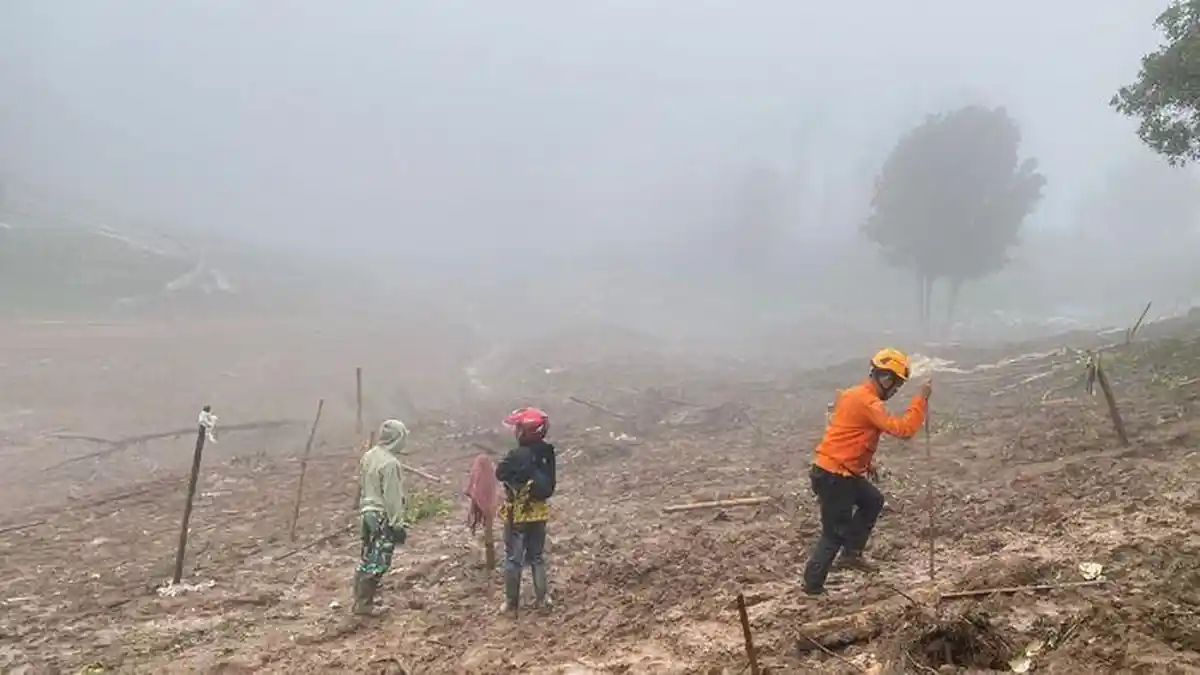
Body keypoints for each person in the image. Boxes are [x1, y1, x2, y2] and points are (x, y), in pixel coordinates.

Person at [802, 348, 932, 596]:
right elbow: (903, 430)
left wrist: (865, 462)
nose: (895, 391)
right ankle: (812, 587)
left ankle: (851, 554)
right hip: (836, 476)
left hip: (838, 470)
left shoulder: (854, 395)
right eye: (896, 384)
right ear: (885, 378)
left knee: (873, 500)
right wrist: (921, 400)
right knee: (833, 533)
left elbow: (848, 432)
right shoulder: (868, 402)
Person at [495, 407, 556, 614]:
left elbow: (500, 473)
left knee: (514, 558)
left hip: (517, 514)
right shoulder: (548, 452)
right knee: (537, 556)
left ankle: (511, 603)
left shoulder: (515, 455)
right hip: (539, 512)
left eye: (519, 428)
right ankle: (543, 599)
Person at [353, 419, 410, 615]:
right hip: (381, 514)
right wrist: (397, 525)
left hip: (367, 512)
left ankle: (361, 600)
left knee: (367, 555)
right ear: (398, 438)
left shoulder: (369, 456)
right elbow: (392, 497)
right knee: (379, 559)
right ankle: (364, 605)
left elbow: (363, 485)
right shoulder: (390, 464)